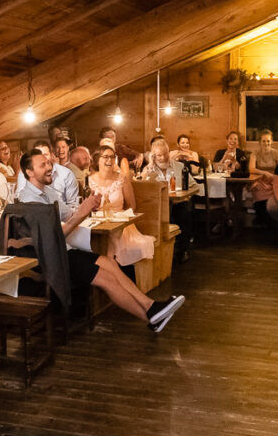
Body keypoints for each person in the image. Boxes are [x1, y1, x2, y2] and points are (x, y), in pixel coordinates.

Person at [18, 150, 184, 332]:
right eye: (43, 165)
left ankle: (151, 307)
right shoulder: (28, 199)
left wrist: (88, 205)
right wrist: (81, 214)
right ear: (30, 172)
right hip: (50, 258)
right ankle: (150, 316)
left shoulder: (48, 192)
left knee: (110, 263)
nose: (49, 168)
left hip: (62, 250)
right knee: (107, 279)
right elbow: (50, 238)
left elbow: (69, 214)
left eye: (48, 163)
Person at [88, 145, 154, 266]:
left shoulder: (121, 179)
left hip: (121, 223)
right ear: (98, 159)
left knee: (113, 237)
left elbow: (131, 206)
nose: (110, 160)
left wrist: (120, 219)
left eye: (112, 157)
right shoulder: (89, 180)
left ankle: (110, 269)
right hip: (97, 224)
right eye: (106, 157)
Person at [142, 137, 197, 262]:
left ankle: (183, 250)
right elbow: (142, 184)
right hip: (157, 206)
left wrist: (186, 194)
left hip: (178, 203)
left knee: (185, 213)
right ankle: (162, 250)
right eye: (158, 155)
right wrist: (150, 164)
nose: (162, 158)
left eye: (165, 154)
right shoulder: (149, 169)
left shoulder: (179, 166)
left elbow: (193, 185)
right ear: (153, 156)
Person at [15, 140, 79, 211]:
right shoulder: (25, 174)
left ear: (52, 155)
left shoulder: (66, 174)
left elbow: (73, 205)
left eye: (45, 155)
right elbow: (19, 200)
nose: (42, 158)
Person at [248, 129, 278, 221]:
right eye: (263, 141)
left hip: (273, 180)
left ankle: (269, 219)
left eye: (268, 141)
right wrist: (264, 173)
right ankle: (261, 217)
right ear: (260, 142)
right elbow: (251, 169)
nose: (266, 143)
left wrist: (272, 177)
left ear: (271, 142)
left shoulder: (277, 153)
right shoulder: (255, 153)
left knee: (274, 191)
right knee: (257, 188)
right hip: (260, 179)